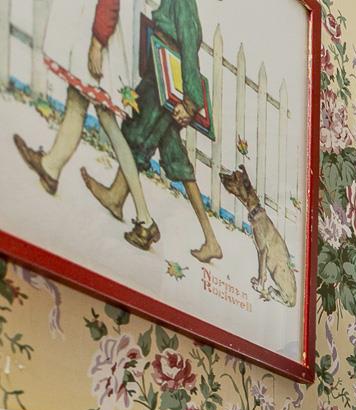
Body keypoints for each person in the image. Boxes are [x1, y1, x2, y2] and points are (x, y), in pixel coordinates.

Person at [12, 0, 160, 249]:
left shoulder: (99, 37)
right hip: (96, 37)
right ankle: (50, 167)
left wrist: (97, 43)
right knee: (77, 103)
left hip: (100, 41)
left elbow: (110, 3)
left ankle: (145, 219)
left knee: (105, 122)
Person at [85, 0, 220, 261]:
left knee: (136, 132)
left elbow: (189, 45)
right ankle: (211, 240)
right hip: (162, 71)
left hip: (166, 78)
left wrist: (190, 103)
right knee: (174, 156)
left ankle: (132, 213)